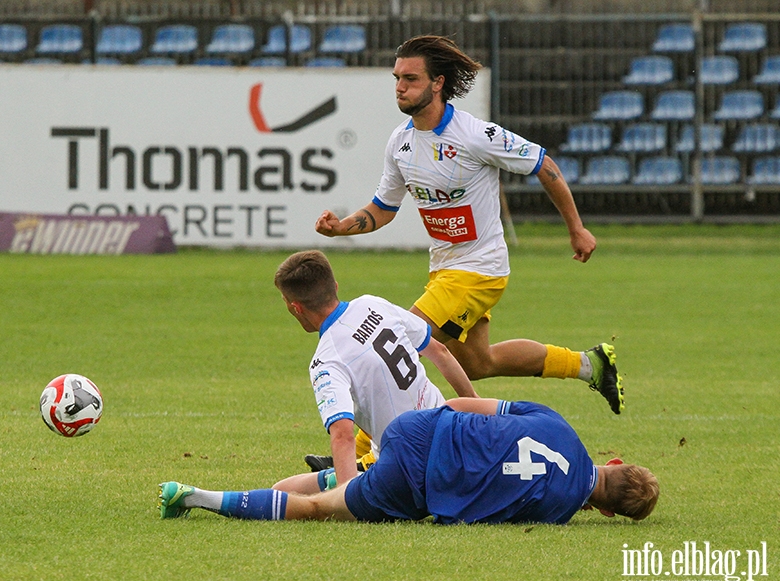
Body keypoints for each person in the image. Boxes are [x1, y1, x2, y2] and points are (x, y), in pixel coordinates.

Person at [314, 35, 625, 415]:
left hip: (479, 269)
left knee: (395, 342)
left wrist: (576, 228)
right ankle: (590, 365)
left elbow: (544, 165)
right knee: (478, 364)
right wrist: (342, 227)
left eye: (410, 79)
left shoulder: (475, 135)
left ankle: (366, 457)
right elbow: (384, 207)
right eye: (397, 78)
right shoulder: (401, 143)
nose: (399, 87)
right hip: (444, 269)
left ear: (438, 82)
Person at [158, 398, 659, 525]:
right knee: (322, 509)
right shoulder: (557, 512)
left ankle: (301, 482)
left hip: (417, 429)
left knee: (339, 482)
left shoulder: (559, 425)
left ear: (613, 460)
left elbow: (471, 406)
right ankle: (201, 498)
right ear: (609, 512)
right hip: (422, 483)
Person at [273, 249, 478, 492]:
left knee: (281, 490)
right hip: (453, 433)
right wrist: (477, 409)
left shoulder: (326, 360)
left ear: (296, 308)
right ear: (335, 286)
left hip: (409, 470)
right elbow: (440, 352)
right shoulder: (373, 304)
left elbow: (342, 435)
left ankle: (352, 476)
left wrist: (346, 499)